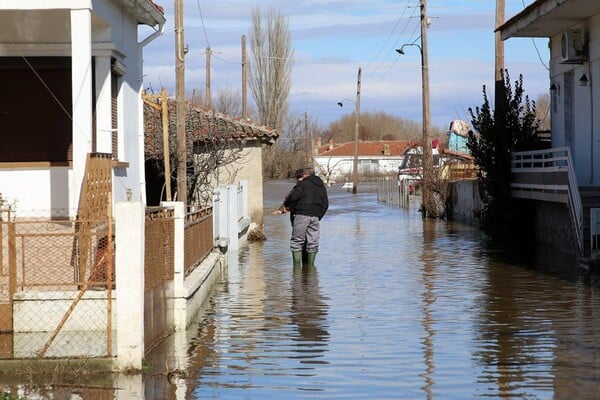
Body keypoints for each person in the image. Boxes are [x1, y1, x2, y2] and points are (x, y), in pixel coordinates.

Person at [283, 167, 328, 267]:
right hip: (315, 217)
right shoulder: (321, 186)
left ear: (305, 175)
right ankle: (311, 268)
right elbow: (325, 204)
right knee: (313, 241)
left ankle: (296, 268)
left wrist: (287, 205)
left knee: (297, 241)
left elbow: (293, 197)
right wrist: (318, 216)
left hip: (301, 215)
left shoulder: (302, 185)